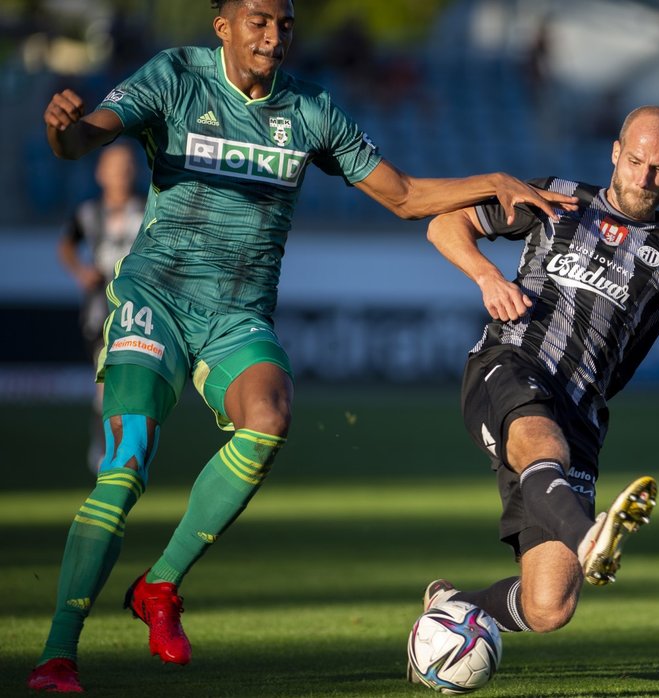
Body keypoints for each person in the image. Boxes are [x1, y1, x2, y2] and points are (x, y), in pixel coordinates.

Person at [29, 0, 576, 693]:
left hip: (239, 316)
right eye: (257, 20)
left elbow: (404, 195)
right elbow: (84, 140)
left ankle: (159, 585)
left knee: (270, 417)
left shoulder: (311, 110)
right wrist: (63, 131)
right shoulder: (175, 76)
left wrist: (492, 181)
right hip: (156, 300)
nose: (273, 34)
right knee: (127, 464)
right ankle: (57, 654)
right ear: (222, 25)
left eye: (284, 23)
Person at [417, 106, 659, 651]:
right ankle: (590, 536)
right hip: (512, 364)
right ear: (615, 152)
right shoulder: (555, 199)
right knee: (542, 441)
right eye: (635, 161)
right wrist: (487, 276)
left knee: (548, 606)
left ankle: (453, 610)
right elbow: (445, 224)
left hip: (580, 411)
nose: (644, 177)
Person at [56, 141, 145, 473]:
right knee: (105, 388)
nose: (122, 173)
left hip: (139, 313)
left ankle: (127, 450)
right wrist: (81, 271)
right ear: (101, 173)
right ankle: (105, 448)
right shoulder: (88, 213)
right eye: (115, 166)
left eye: (127, 166)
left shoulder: (149, 209)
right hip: (101, 313)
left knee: (133, 386)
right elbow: (65, 245)